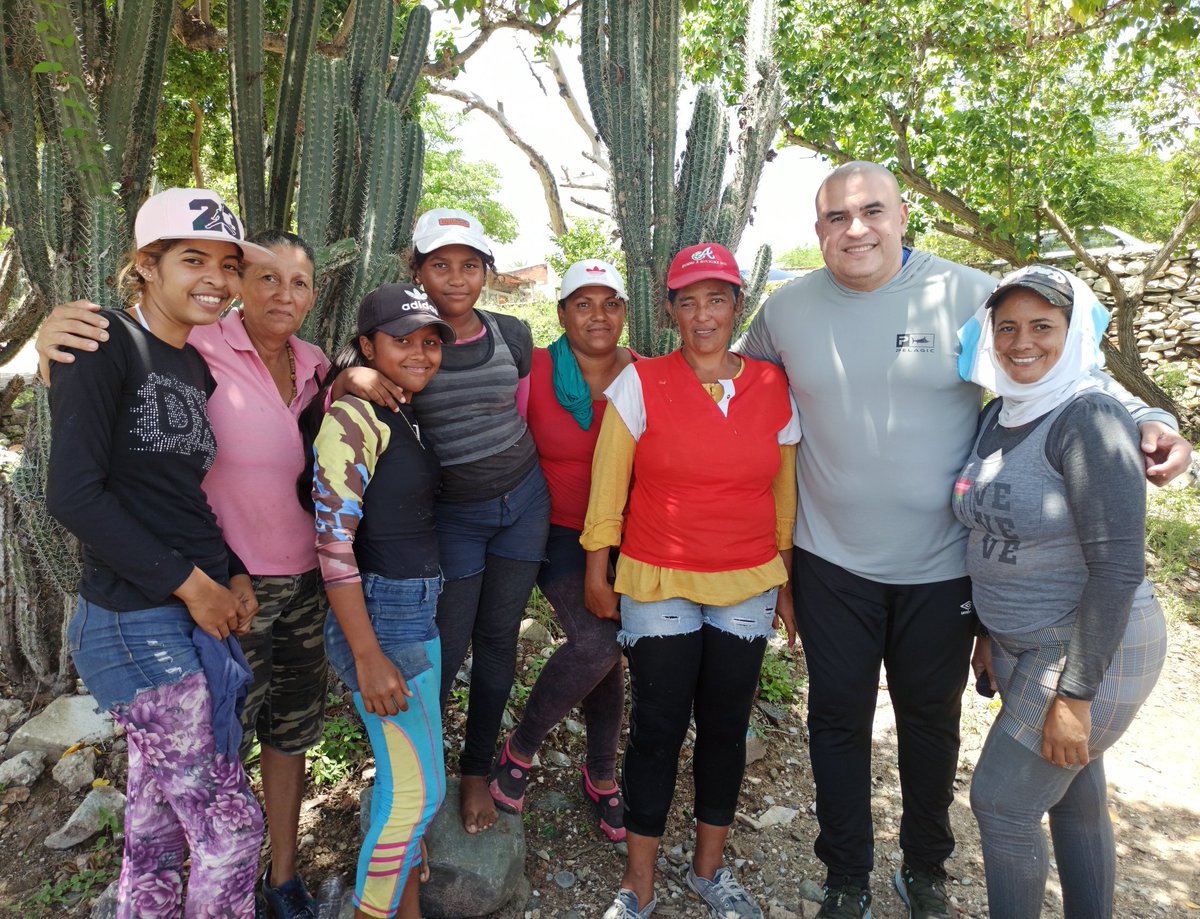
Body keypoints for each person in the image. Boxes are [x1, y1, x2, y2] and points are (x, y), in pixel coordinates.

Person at [733, 160, 1191, 919]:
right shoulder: (786, 309)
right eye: (835, 218)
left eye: (872, 211)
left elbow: (1054, 360)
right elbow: (734, 387)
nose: (856, 230)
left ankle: (925, 869)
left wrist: (1152, 419)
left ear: (903, 216)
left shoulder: (967, 292)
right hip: (829, 560)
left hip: (944, 568)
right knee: (837, 721)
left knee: (928, 721)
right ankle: (846, 876)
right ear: (817, 230)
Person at [36, 231, 408, 919]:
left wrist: (350, 374)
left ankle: (283, 877)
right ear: (238, 286)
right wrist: (51, 340)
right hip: (222, 594)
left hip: (309, 581)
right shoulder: (199, 342)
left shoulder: (316, 360)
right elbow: (113, 386)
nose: (282, 295)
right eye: (264, 278)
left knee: (289, 732)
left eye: (299, 283)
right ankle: (201, 883)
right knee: (214, 757)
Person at [45, 188, 271, 918]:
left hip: (179, 610)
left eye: (229, 265)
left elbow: (179, 492)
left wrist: (229, 570)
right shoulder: (99, 343)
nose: (216, 278)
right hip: (130, 619)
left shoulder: (193, 367)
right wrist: (191, 585)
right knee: (233, 829)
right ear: (146, 265)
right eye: (193, 258)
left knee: (156, 821)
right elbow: (74, 496)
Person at [584, 244, 801, 919]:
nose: (703, 313)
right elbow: (609, 478)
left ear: (739, 304)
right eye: (688, 300)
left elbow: (784, 489)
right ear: (670, 310)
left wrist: (786, 578)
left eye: (717, 298)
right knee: (657, 726)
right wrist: (599, 560)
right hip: (658, 578)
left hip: (747, 581)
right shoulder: (641, 382)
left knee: (726, 725)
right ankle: (640, 880)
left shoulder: (772, 385)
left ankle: (709, 869)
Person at [954, 265, 1167, 918]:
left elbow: (1117, 565)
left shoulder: (1089, 415)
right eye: (1008, 326)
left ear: (1074, 334)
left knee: (1003, 801)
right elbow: (990, 532)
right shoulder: (999, 413)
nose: (1023, 341)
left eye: (1043, 326)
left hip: (1085, 647)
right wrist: (988, 634)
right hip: (1023, 645)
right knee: (1074, 798)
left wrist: (1075, 695)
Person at [307, 284, 455, 919]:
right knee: (416, 795)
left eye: (429, 342)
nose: (420, 354)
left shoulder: (397, 407)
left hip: (412, 609)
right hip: (384, 616)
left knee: (410, 782)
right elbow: (333, 542)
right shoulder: (353, 416)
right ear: (366, 346)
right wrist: (367, 655)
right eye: (402, 341)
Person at [409, 208, 552, 834]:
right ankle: (421, 772)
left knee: (498, 640)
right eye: (440, 265)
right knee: (445, 645)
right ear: (417, 272)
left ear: (487, 272)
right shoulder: (406, 341)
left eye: (470, 265)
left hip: (524, 504)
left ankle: (474, 773)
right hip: (454, 519)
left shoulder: (512, 334)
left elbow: (515, 409)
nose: (457, 278)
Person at [488, 260, 635, 842]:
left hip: (629, 533)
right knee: (600, 639)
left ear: (625, 311)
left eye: (610, 303)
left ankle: (601, 771)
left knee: (612, 648)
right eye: (583, 303)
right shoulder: (536, 370)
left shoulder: (648, 375)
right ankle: (521, 748)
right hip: (550, 528)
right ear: (561, 313)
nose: (598, 316)